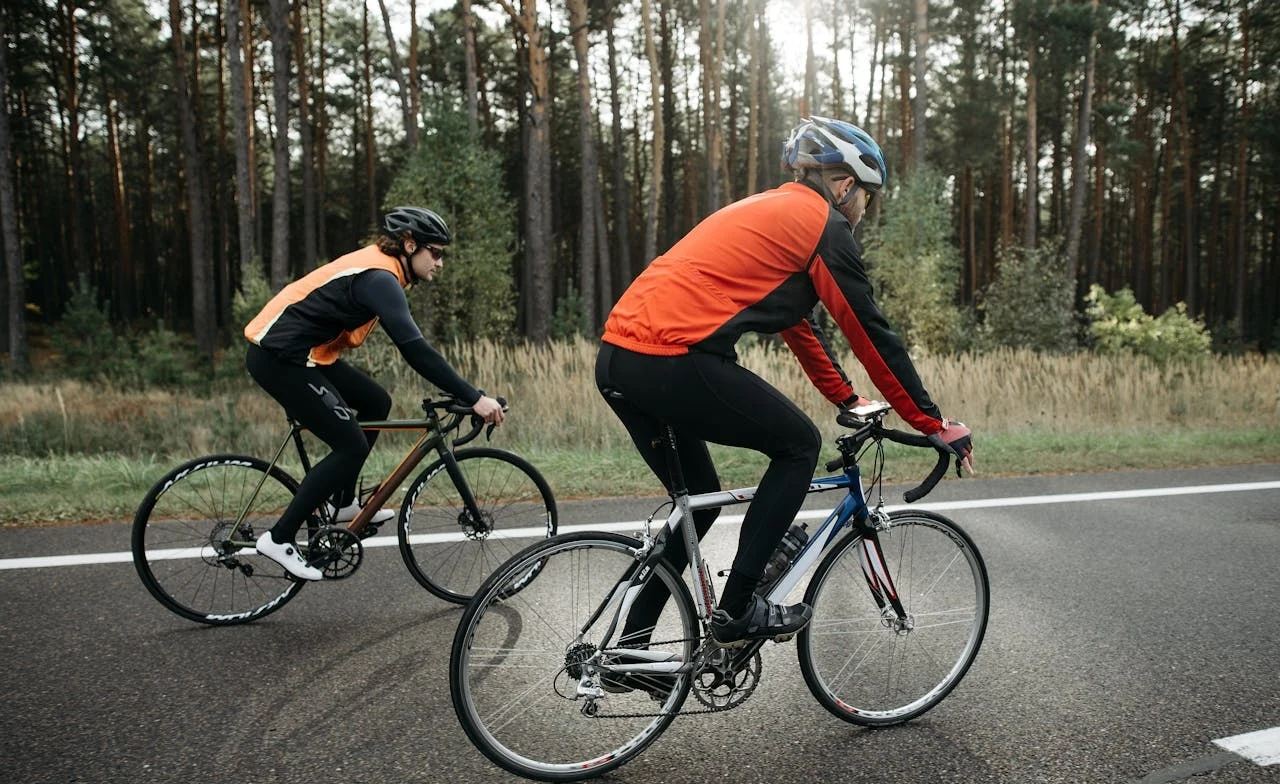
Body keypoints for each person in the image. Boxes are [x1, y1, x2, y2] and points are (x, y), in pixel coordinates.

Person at [596, 116, 973, 650]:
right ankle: (738, 609)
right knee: (799, 446)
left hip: (618, 359)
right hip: (672, 357)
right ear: (845, 185)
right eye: (867, 198)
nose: (864, 211)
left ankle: (630, 646)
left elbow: (800, 326)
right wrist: (931, 422)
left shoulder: (772, 211)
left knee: (699, 502)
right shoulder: (824, 224)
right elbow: (869, 331)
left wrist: (847, 397)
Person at [244, 206, 504, 581]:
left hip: (306, 354)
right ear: (410, 245)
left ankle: (343, 503)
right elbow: (415, 349)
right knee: (350, 445)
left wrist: (467, 393)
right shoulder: (379, 278)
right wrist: (474, 397)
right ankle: (279, 538)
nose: (440, 262)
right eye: (435, 252)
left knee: (375, 402)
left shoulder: (384, 271)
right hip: (279, 357)